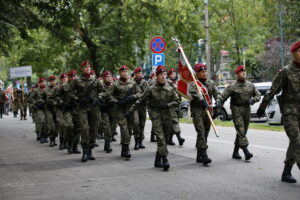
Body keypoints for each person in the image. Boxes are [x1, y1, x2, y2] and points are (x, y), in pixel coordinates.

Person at [257, 41, 300, 183]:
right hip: (290, 112)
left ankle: (286, 172)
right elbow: (273, 89)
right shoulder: (286, 71)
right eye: (299, 51)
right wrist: (262, 106)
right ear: (293, 54)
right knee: (297, 141)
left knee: (294, 143)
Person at [131, 65, 179, 171]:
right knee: (160, 138)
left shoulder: (170, 87)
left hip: (167, 116)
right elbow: (141, 100)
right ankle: (165, 159)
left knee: (165, 139)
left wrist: (168, 105)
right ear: (157, 76)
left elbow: (177, 101)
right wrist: (131, 110)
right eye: (161, 74)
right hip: (156, 115)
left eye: (165, 74)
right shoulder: (151, 88)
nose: (163, 76)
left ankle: (158, 159)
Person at [222, 65, 261, 161]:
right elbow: (223, 96)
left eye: (245, 71)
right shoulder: (232, 86)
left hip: (246, 109)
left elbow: (258, 95)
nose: (244, 73)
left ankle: (235, 152)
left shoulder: (250, 85)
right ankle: (246, 151)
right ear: (237, 74)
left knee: (243, 131)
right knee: (241, 130)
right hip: (236, 109)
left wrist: (254, 100)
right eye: (241, 72)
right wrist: (218, 107)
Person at [67, 62, 104, 162]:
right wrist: (77, 99)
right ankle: (84, 151)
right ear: (81, 69)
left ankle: (90, 151)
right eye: (85, 67)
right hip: (82, 108)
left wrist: (97, 99)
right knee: (84, 128)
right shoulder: (77, 80)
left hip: (94, 108)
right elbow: (69, 91)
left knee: (93, 129)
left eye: (88, 67)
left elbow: (103, 91)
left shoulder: (95, 80)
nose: (87, 68)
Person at [188, 63, 222, 165]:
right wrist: (201, 99)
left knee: (205, 134)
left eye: (205, 71)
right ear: (197, 73)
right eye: (202, 72)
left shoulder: (211, 83)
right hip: (197, 111)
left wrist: (218, 101)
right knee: (201, 132)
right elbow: (193, 94)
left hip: (208, 111)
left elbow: (217, 93)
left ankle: (199, 155)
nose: (204, 73)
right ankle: (204, 155)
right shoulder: (193, 84)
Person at [108, 65, 141, 160]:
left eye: (126, 71)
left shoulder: (133, 83)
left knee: (131, 127)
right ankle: (126, 148)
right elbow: (109, 96)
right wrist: (117, 101)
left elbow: (139, 93)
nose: (125, 73)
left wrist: (132, 97)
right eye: (123, 72)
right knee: (124, 128)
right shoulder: (115, 84)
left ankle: (124, 147)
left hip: (131, 108)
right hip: (120, 109)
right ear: (120, 73)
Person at [131, 67, 148, 150]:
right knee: (136, 122)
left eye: (141, 73)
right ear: (135, 74)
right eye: (138, 73)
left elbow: (147, 92)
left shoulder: (145, 83)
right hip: (134, 106)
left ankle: (140, 141)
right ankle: (136, 141)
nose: (140, 75)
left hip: (143, 105)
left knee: (142, 123)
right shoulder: (131, 83)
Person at [167, 68, 185, 146]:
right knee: (175, 121)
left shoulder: (178, 83)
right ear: (169, 75)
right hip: (171, 105)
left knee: (174, 122)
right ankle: (179, 138)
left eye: (174, 74)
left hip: (178, 104)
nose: (173, 75)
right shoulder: (167, 83)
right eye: (171, 74)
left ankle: (169, 139)